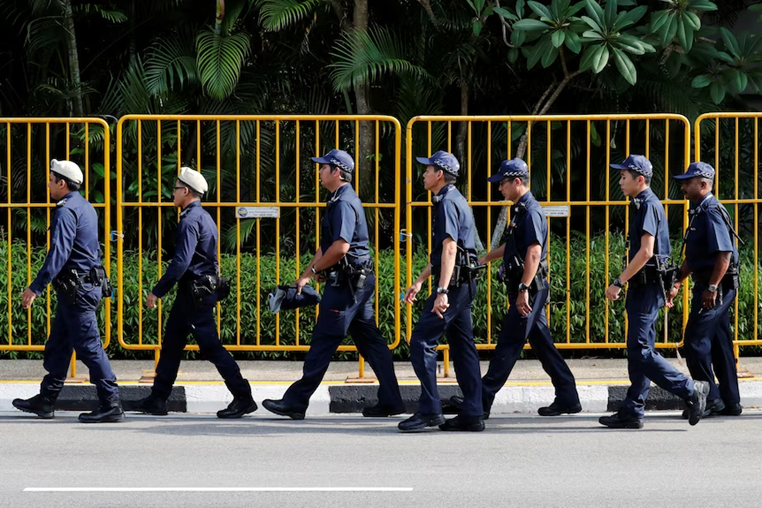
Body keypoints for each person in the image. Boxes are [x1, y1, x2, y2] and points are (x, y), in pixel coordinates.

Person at [262, 149, 404, 420]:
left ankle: (296, 401)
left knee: (324, 340)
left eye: (323, 167)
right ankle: (391, 400)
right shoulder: (338, 199)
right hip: (358, 282)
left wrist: (316, 269)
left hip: (348, 286)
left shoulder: (343, 202)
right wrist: (307, 274)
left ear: (336, 172)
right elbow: (326, 246)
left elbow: (341, 247)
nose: (319, 171)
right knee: (371, 342)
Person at [451, 158, 580, 418]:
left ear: (517, 182)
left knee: (508, 344)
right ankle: (568, 395)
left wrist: (523, 288)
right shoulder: (521, 210)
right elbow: (514, 248)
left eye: (503, 183)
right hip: (530, 287)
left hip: (530, 288)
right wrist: (486, 258)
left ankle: (481, 400)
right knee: (543, 345)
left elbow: (534, 253)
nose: (499, 188)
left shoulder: (531, 212)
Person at [135, 167, 255, 418]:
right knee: (172, 345)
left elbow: (181, 262)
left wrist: (157, 291)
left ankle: (243, 396)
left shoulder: (190, 221)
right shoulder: (204, 217)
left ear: (186, 191)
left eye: (176, 188)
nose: (173, 192)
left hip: (194, 294)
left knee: (211, 347)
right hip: (195, 292)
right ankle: (158, 399)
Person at [599, 155, 709, 429]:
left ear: (639, 179)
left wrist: (619, 281)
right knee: (638, 349)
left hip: (646, 288)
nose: (620, 181)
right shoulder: (642, 205)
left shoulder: (648, 205)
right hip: (644, 287)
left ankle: (691, 390)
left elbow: (646, 252)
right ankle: (633, 409)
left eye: (624, 177)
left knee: (640, 351)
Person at [13, 159, 123, 423]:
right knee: (60, 344)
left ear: (62, 183)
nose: (48, 184)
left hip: (78, 290)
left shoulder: (65, 211)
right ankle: (46, 400)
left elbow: (59, 253)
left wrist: (35, 287)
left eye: (51, 180)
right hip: (78, 289)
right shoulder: (85, 206)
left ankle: (111, 402)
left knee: (89, 347)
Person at [398, 150, 484, 432]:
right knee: (463, 348)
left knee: (422, 341)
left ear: (440, 175)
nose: (423, 174)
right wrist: (421, 280)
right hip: (464, 283)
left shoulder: (447, 202)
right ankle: (473, 411)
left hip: (455, 285)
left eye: (427, 169)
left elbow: (449, 249)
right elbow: (444, 253)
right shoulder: (454, 199)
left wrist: (442, 291)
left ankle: (430, 409)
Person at [667, 162, 742, 417]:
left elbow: (724, 254)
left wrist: (711, 287)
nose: (683, 186)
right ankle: (731, 401)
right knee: (720, 343)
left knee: (694, 341)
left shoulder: (710, 211)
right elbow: (695, 257)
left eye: (688, 182)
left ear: (703, 184)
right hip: (712, 283)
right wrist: (677, 280)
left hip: (715, 287)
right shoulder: (699, 211)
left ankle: (709, 398)